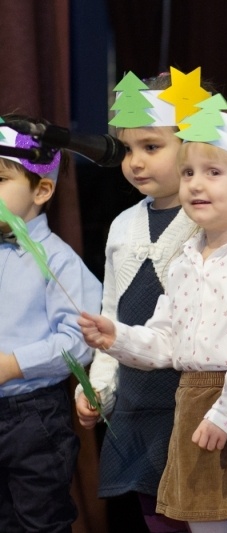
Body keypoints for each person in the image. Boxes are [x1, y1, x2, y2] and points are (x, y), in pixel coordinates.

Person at [78, 102, 227, 533]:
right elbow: (167, 338)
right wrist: (118, 338)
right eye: (188, 173)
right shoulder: (185, 260)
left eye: (213, 173)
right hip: (192, 407)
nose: (195, 185)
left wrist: (225, 413)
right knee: (203, 522)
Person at [73, 69, 210, 533]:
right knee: (157, 518)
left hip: (192, 404)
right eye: (128, 148)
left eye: (151, 147)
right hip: (137, 404)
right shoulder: (121, 226)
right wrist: (101, 389)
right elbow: (112, 316)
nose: (134, 161)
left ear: (193, 143)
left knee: (204, 514)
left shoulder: (209, 224)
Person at [0, 114, 102, 532]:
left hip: (32, 417)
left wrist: (14, 363)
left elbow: (81, 340)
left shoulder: (57, 259)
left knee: (38, 522)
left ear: (42, 189)